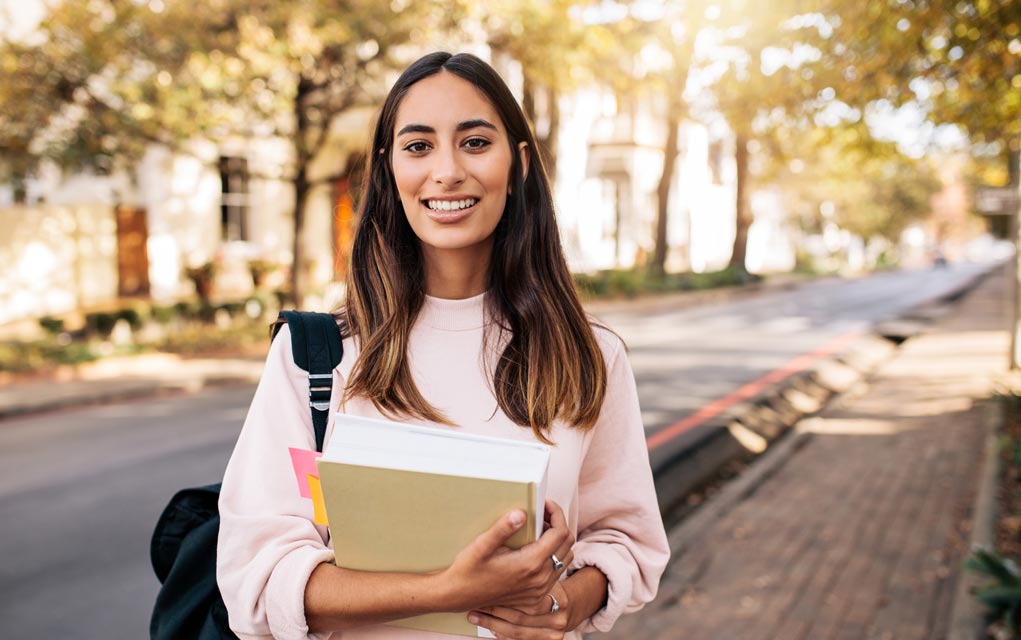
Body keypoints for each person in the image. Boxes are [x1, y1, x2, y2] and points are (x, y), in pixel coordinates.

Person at [217, 51, 670, 640]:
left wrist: (560, 606)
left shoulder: (589, 357)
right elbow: (256, 580)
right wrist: (446, 593)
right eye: (418, 146)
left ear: (520, 164)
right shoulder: (317, 358)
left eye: (476, 142)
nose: (448, 171)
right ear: (389, 169)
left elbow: (625, 543)